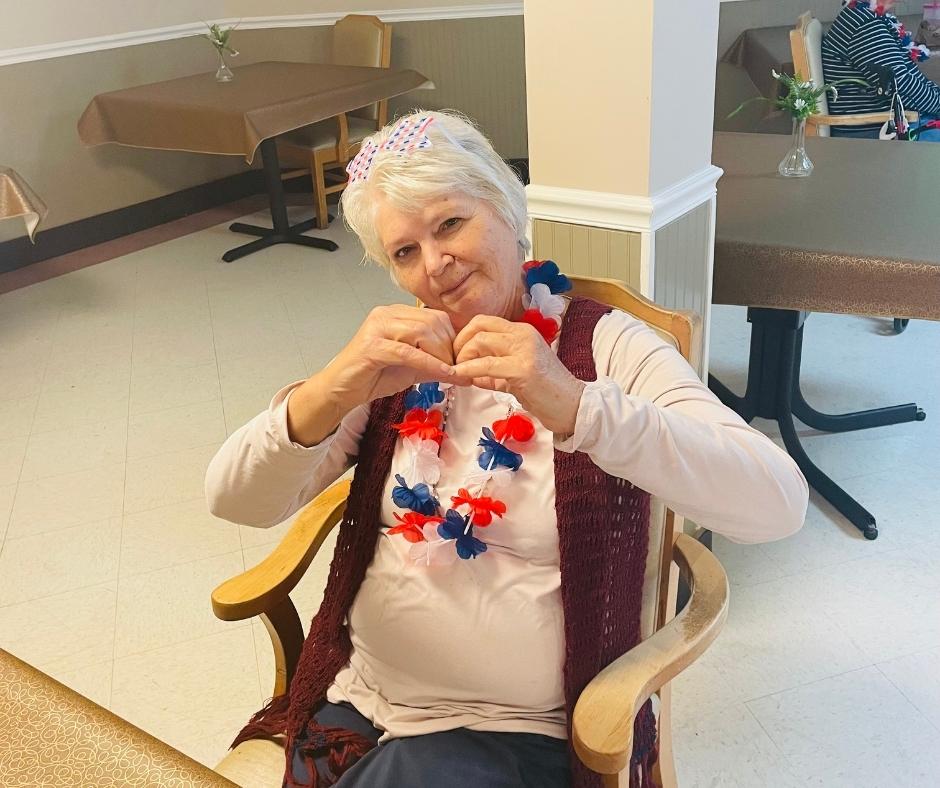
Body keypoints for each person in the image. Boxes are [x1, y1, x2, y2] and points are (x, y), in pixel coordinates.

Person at [205, 110, 808, 788]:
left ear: (507, 208)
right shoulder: (400, 361)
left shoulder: (608, 347)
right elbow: (234, 500)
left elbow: (777, 505)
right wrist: (329, 389)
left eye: (449, 224)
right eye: (404, 252)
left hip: (511, 736)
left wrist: (576, 406)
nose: (435, 264)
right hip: (356, 705)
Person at [823, 0, 940, 139]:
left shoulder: (868, 16)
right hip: (878, 130)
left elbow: (906, 76)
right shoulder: (866, 25)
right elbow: (901, 84)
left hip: (895, 120)